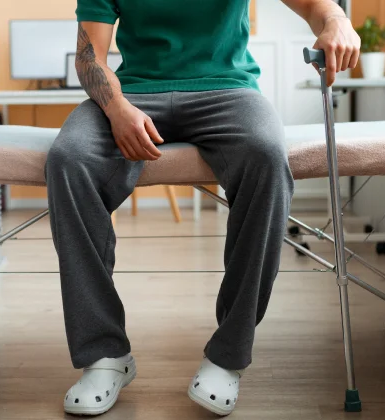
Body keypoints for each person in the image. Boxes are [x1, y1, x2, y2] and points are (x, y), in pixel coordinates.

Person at [45, 0, 360, 415]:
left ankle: (229, 352)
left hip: (227, 91)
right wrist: (117, 110)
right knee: (68, 159)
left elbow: (316, 7)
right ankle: (104, 355)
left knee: (266, 157)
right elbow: (91, 57)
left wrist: (338, 21)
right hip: (134, 93)